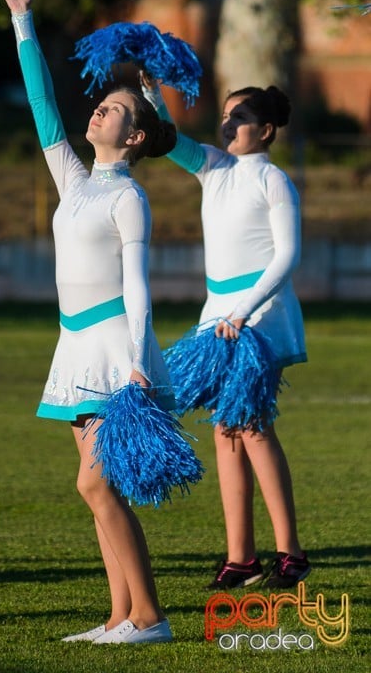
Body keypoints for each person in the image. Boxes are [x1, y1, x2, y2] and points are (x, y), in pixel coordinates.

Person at [1, 0, 183, 645]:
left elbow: (138, 287)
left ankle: (152, 617)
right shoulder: (74, 180)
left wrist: (137, 362)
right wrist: (23, 21)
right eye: (103, 106)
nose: (101, 111)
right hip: (72, 344)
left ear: (135, 137)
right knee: (98, 493)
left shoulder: (127, 197)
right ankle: (118, 618)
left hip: (113, 348)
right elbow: (43, 105)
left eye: (116, 111)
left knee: (97, 486)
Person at [141, 74, 310, 590]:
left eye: (239, 117)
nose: (228, 122)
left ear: (264, 130)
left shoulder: (273, 179)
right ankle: (241, 557)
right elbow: (168, 138)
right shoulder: (213, 166)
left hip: (258, 316)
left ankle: (291, 553)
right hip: (217, 316)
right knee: (226, 431)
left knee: (253, 427)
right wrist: (151, 94)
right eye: (226, 115)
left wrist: (243, 312)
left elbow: (287, 254)